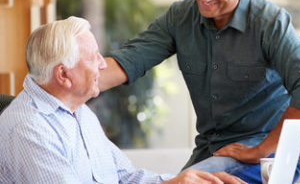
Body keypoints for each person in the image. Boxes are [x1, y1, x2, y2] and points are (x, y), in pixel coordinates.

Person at [100, 0, 300, 183]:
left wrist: (259, 150)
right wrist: (72, 84)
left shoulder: (270, 22)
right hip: (210, 150)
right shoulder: (180, 18)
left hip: (268, 155)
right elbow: (129, 61)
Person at [0, 16, 245, 184]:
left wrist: (177, 181)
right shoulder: (27, 128)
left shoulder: (78, 111)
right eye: (94, 57)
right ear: (63, 75)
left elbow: (123, 175)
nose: (103, 64)